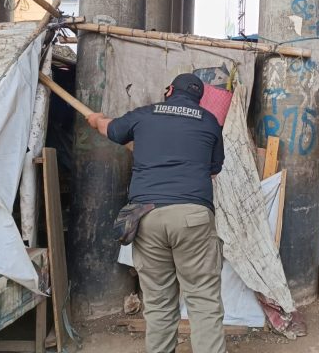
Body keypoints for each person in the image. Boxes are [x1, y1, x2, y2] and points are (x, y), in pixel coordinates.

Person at [87, 73, 227, 353]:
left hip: (147, 216)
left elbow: (111, 130)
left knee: (159, 303)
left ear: (169, 90)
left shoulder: (145, 115)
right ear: (198, 99)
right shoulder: (210, 121)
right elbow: (214, 169)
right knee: (203, 302)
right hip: (193, 217)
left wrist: (95, 119)